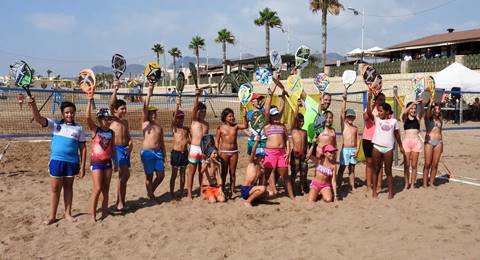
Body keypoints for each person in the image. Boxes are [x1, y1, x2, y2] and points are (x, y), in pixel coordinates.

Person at [28, 96, 86, 225]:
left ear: (75, 113)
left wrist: (82, 166)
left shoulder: (79, 128)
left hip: (72, 162)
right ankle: (52, 216)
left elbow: (83, 148)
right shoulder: (55, 124)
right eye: (66, 112)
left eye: (71, 112)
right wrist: (33, 105)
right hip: (56, 161)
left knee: (68, 188)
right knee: (55, 189)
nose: (69, 114)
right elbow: (38, 119)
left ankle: (67, 214)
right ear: (62, 113)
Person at [366, 92, 404, 199]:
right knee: (376, 169)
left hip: (388, 149)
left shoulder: (394, 121)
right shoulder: (377, 120)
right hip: (377, 147)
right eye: (378, 111)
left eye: (381, 111)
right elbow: (369, 114)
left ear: (387, 111)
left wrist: (400, 146)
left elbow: (397, 135)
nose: (379, 113)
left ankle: (391, 192)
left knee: (388, 171)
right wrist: (369, 101)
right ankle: (374, 192)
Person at [86, 101, 116, 222]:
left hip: (108, 163)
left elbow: (112, 149)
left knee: (106, 188)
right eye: (107, 119)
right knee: (97, 188)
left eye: (110, 119)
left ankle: (104, 210)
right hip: (96, 163)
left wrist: (116, 163)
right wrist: (89, 100)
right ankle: (93, 214)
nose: (110, 121)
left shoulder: (111, 132)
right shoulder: (95, 130)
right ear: (101, 119)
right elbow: (87, 117)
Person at [263, 85, 295, 199]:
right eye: (274, 115)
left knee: (285, 175)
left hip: (282, 153)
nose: (276, 116)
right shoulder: (267, 125)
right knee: (266, 176)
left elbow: (287, 139)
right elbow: (266, 110)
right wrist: (270, 95)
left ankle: (292, 197)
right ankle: (261, 193)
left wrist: (288, 151)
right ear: (270, 117)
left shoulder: (282, 126)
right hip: (270, 153)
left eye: (277, 115)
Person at [109, 80, 133, 211]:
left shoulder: (125, 122)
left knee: (123, 177)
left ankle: (121, 201)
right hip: (116, 149)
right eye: (122, 108)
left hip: (125, 150)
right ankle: (119, 202)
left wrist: (130, 146)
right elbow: (111, 103)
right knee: (125, 174)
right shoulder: (112, 119)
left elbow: (129, 137)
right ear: (115, 110)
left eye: (125, 108)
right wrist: (115, 89)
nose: (124, 110)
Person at [140, 83, 166, 199]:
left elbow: (162, 142)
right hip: (147, 153)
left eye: (155, 112)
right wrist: (149, 93)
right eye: (152, 113)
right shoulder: (145, 123)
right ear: (148, 115)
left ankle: (150, 192)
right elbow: (145, 108)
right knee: (149, 177)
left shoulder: (159, 127)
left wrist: (165, 155)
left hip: (158, 153)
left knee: (161, 175)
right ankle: (151, 195)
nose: (154, 114)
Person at [215, 107, 248, 196]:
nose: (232, 118)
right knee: (224, 173)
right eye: (229, 116)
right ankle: (222, 189)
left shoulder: (236, 126)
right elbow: (217, 141)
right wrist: (217, 151)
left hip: (234, 152)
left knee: (232, 172)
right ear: (225, 117)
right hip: (224, 152)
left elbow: (245, 126)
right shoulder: (220, 128)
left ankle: (233, 189)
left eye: (232, 116)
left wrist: (245, 117)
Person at [186, 88, 209, 199]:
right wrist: (197, 96)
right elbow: (194, 109)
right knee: (191, 171)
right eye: (201, 111)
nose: (202, 113)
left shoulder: (206, 124)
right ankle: (189, 193)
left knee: (202, 172)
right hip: (194, 148)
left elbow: (207, 139)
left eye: (204, 111)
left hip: (203, 150)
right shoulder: (194, 121)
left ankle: (201, 191)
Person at [362, 92, 386, 193]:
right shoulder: (370, 107)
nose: (382, 102)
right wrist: (369, 102)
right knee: (369, 163)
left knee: (379, 163)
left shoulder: (384, 110)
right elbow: (365, 117)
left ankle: (379, 185)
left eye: (383, 100)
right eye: (380, 99)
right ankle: (369, 186)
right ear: (376, 100)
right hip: (368, 138)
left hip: (379, 139)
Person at [337, 92, 360, 192]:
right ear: (345, 118)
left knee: (352, 168)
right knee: (342, 168)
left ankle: (352, 186)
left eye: (352, 117)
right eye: (348, 117)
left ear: (354, 118)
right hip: (345, 149)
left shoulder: (355, 128)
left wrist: (357, 150)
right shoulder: (344, 126)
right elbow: (342, 112)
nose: (350, 118)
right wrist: (344, 100)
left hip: (353, 150)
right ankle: (338, 185)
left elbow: (358, 140)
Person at [241, 136, 271, 207]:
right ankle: (248, 201)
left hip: (253, 190)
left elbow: (262, 184)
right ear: (256, 157)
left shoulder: (261, 169)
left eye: (264, 158)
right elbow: (252, 152)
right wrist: (256, 142)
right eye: (261, 157)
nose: (263, 159)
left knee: (271, 193)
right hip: (246, 190)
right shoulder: (252, 164)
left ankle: (256, 199)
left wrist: (263, 173)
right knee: (263, 189)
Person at [401, 100, 424, 190]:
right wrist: (413, 103)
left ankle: (413, 184)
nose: (413, 110)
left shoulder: (417, 118)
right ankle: (406, 183)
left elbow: (422, 111)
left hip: (416, 142)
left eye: (415, 109)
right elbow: (404, 112)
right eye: (412, 109)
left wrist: (421, 104)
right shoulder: (405, 118)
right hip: (406, 142)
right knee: (406, 165)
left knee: (414, 165)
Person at [170, 97, 190, 198]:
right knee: (174, 175)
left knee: (182, 174)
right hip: (176, 153)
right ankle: (172, 192)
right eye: (178, 117)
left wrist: (188, 141)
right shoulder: (175, 128)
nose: (180, 119)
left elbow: (190, 140)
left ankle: (182, 191)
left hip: (184, 153)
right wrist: (177, 105)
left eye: (182, 117)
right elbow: (173, 120)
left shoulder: (186, 129)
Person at [423, 99, 443, 187]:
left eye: (439, 109)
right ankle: (424, 183)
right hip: (429, 142)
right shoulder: (428, 118)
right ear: (432, 110)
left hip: (438, 142)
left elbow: (440, 132)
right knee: (427, 163)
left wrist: (442, 144)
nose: (437, 111)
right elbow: (427, 113)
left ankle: (431, 182)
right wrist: (430, 103)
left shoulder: (440, 119)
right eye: (436, 109)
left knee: (435, 164)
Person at [290, 100, 308, 195]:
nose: (301, 123)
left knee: (303, 173)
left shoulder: (304, 132)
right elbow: (294, 117)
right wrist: (297, 106)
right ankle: (292, 188)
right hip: (295, 155)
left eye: (302, 121)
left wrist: (307, 153)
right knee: (294, 172)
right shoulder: (294, 130)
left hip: (303, 155)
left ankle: (302, 188)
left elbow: (306, 144)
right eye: (299, 121)